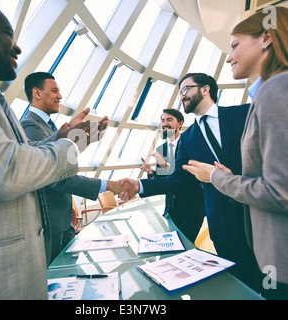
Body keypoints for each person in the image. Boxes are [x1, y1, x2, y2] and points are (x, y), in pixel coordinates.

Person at [0, 0, 107, 299]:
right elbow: (4, 170)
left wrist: (66, 136)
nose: (17, 48)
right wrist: (72, 143)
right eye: (7, 33)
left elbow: (19, 154)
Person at [183, 7, 288, 300]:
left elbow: (281, 192)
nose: (228, 56)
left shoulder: (276, 90)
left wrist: (216, 177)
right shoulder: (272, 92)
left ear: (266, 38)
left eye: (234, 45)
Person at [120, 73, 261, 290]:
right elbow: (180, 180)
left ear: (205, 89)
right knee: (240, 287)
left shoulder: (243, 113)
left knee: (273, 286)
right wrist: (140, 185)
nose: (181, 96)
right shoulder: (188, 138)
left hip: (261, 216)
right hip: (224, 225)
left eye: (185, 90)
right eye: (179, 93)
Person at [21, 72, 135, 263]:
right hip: (51, 226)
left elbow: (61, 165)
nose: (60, 96)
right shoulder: (30, 126)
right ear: (37, 93)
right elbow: (58, 178)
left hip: (63, 221)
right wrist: (112, 185)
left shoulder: (48, 127)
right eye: (54, 90)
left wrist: (82, 138)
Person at [140, 108, 205, 242]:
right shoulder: (161, 150)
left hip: (192, 208)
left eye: (169, 120)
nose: (165, 124)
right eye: (163, 120)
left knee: (185, 245)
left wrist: (164, 165)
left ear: (180, 123)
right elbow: (164, 182)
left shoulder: (190, 144)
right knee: (174, 246)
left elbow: (184, 177)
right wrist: (152, 173)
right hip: (172, 209)